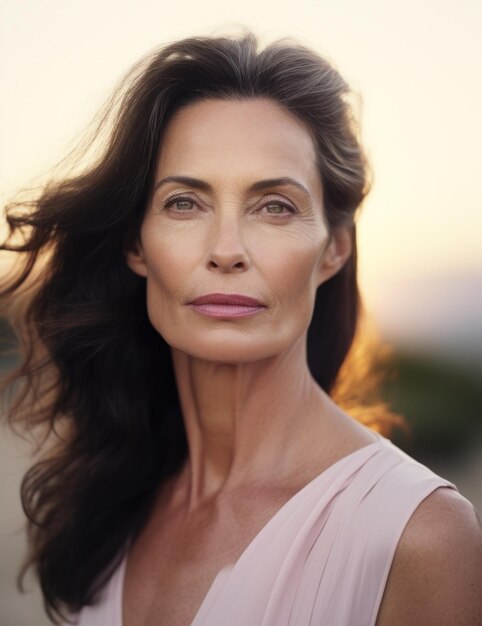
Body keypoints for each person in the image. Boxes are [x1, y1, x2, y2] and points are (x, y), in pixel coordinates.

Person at [1, 31, 481, 626]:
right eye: (184, 203)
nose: (226, 250)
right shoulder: (112, 501)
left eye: (274, 205)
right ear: (136, 244)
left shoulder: (418, 536)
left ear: (334, 248)